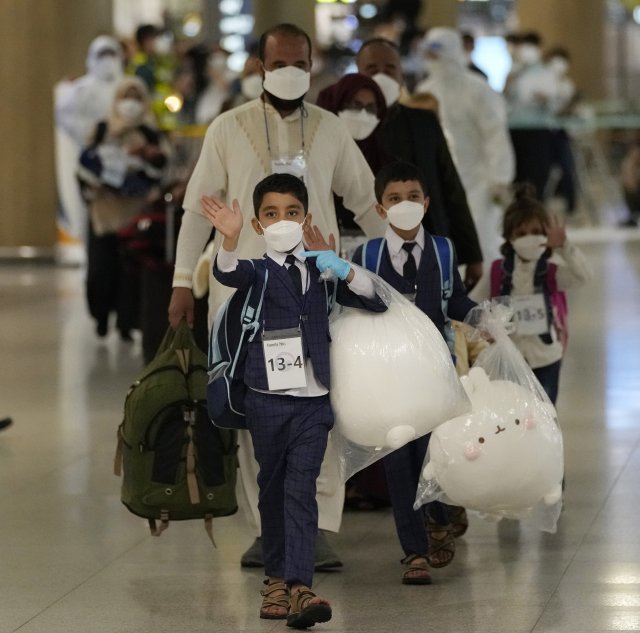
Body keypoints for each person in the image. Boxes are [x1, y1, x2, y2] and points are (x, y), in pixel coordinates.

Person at [168, 22, 387, 570]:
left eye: (301, 63)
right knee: (253, 411)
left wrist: (387, 270)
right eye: (280, 62)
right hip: (245, 297)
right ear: (260, 67)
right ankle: (269, 529)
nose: (291, 72)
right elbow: (199, 210)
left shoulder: (332, 129)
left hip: (317, 293)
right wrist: (179, 282)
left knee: (321, 407)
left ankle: (315, 528)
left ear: (312, 67)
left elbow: (365, 204)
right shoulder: (228, 127)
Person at [202, 172, 387, 626]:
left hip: (313, 399)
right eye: (270, 214)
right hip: (266, 397)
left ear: (305, 218)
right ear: (259, 225)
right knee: (273, 486)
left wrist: (343, 266)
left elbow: (375, 300)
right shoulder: (258, 271)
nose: (281, 220)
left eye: (291, 212)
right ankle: (275, 580)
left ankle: (300, 586)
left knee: (301, 488)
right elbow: (226, 273)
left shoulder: (320, 270)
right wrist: (228, 239)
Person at [351, 161, 477, 584]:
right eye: (393, 198)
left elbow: (453, 299)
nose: (404, 205)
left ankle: (441, 512)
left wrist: (483, 318)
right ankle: (415, 552)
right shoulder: (366, 255)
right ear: (380, 208)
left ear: (425, 201)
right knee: (396, 457)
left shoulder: (442, 250)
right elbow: (351, 311)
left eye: (412, 197)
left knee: (433, 451)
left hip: (434, 368)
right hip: (387, 373)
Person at [355, 37, 484, 288]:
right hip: (367, 250)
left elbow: (451, 187)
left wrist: (472, 254)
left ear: (402, 75)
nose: (382, 76)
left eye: (390, 68)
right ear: (358, 76)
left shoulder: (424, 122)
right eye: (372, 70)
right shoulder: (345, 127)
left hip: (430, 242)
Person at [469, 184, 591, 404]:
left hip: (546, 357)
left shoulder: (551, 271)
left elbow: (583, 276)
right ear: (509, 237)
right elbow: (472, 304)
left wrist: (565, 246)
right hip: (509, 360)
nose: (529, 238)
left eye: (536, 232)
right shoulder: (497, 270)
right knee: (513, 417)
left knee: (545, 416)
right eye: (521, 233)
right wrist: (485, 324)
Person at [77, 76, 169, 339]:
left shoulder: (151, 133)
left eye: (136, 97)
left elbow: (163, 169)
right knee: (100, 271)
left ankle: (127, 323)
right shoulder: (102, 129)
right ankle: (101, 316)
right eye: (125, 96)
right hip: (104, 214)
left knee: (131, 275)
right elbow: (84, 165)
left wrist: (149, 159)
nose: (131, 103)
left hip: (136, 215)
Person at [415, 27, 515, 263]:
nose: (433, 61)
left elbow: (495, 134)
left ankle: (490, 297)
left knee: (481, 239)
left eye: (436, 54)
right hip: (441, 182)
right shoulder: (425, 91)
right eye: (429, 55)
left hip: (479, 180)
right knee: (446, 242)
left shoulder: (478, 89)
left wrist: (500, 179)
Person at [316, 73, 392, 235]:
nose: (363, 115)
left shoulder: (387, 162)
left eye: (371, 108)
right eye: (355, 105)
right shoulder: (314, 152)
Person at [503, 31, 559, 199]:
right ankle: (519, 207)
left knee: (537, 172)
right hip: (515, 129)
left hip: (538, 129)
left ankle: (535, 207)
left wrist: (545, 100)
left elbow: (554, 101)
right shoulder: (514, 71)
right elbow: (504, 95)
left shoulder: (546, 72)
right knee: (518, 171)